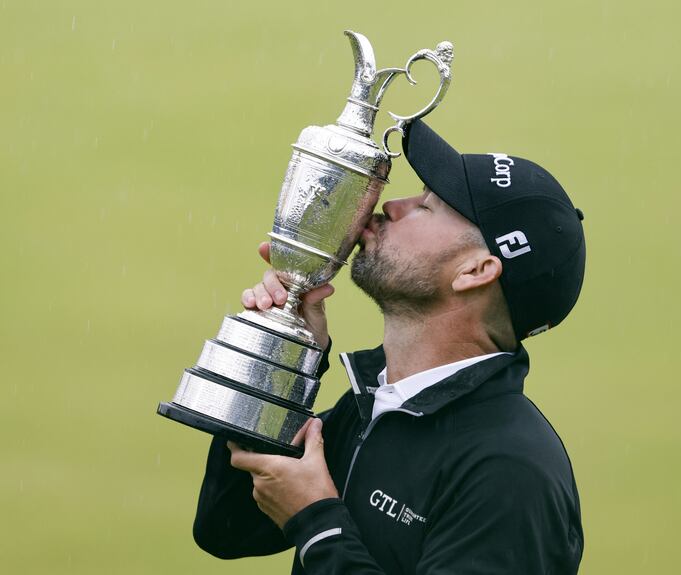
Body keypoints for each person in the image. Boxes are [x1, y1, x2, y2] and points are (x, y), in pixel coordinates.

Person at [192, 120, 586, 574]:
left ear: (475, 271)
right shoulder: (381, 402)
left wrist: (317, 522)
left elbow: (307, 521)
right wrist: (282, 362)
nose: (391, 205)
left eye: (427, 206)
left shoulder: (512, 474)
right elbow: (226, 526)